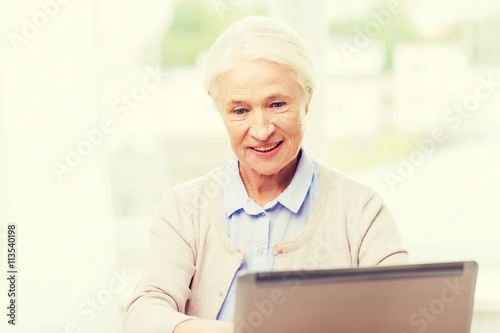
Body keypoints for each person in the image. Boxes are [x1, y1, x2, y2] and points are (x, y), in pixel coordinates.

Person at [124, 15, 409, 333]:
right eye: (240, 110)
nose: (260, 130)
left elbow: (407, 313)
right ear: (219, 109)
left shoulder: (361, 210)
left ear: (308, 98)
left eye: (276, 104)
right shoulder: (183, 207)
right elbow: (143, 314)